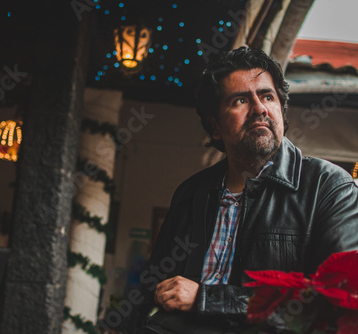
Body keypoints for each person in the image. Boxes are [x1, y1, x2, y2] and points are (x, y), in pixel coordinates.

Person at [124, 47, 358, 333]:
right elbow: (153, 286)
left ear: (282, 112)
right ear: (215, 127)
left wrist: (206, 299)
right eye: (240, 100)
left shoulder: (329, 187)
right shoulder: (191, 192)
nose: (259, 108)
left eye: (267, 96)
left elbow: (341, 299)